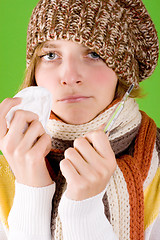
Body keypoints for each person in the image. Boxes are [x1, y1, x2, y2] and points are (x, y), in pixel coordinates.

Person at [0, 0, 160, 239]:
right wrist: (31, 189)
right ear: (34, 70)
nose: (70, 76)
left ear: (123, 74)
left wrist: (83, 213)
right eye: (51, 54)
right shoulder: (6, 173)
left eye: (94, 54)